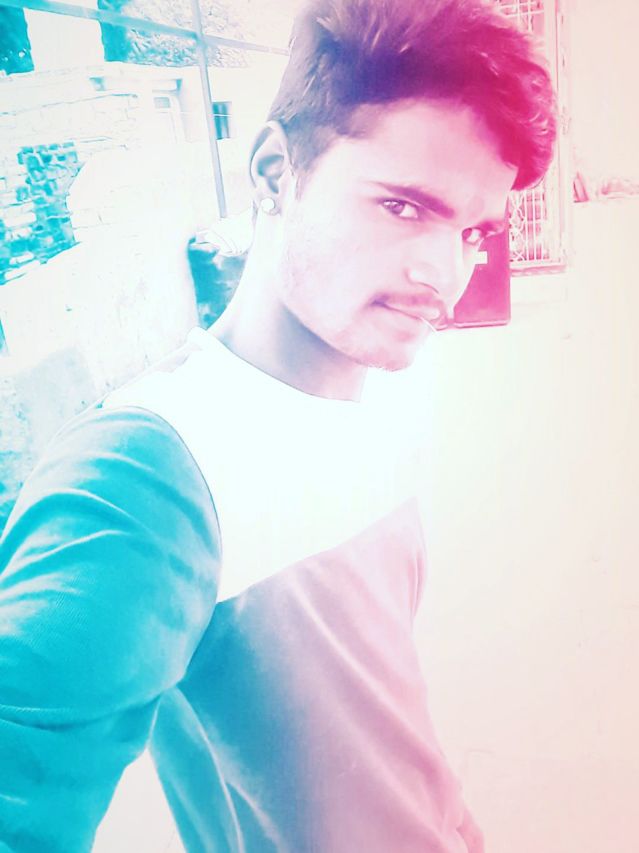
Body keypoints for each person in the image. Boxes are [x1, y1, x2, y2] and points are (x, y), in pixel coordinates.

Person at [0, 0, 556, 850]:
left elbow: (380, 724)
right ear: (272, 173)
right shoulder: (145, 475)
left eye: (474, 230)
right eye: (403, 207)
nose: (444, 273)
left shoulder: (379, 397)